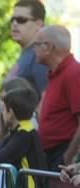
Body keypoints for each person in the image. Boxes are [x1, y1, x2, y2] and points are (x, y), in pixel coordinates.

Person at [0, 0, 47, 150]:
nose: (15, 24)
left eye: (21, 20)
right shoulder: (26, 55)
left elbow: (45, 104)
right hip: (4, 150)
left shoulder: (39, 58)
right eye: (12, 19)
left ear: (39, 24)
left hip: (17, 156)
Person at [34, 25, 80, 171]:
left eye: (36, 44)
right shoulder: (57, 73)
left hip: (61, 157)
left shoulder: (73, 73)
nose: (33, 49)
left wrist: (68, 157)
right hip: (52, 155)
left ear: (48, 47)